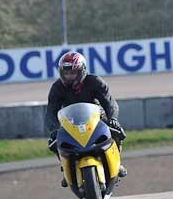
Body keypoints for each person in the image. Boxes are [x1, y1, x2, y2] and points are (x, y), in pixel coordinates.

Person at [45, 51, 127, 183]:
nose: (69, 76)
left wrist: (113, 119)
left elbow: (110, 103)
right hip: (70, 121)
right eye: (66, 73)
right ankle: (66, 168)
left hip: (96, 118)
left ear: (82, 70)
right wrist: (54, 129)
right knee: (55, 141)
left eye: (72, 73)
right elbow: (50, 111)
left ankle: (117, 163)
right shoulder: (57, 87)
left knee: (116, 132)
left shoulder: (95, 81)